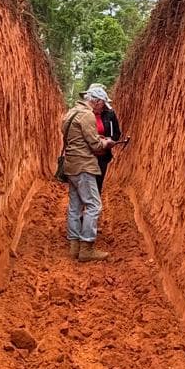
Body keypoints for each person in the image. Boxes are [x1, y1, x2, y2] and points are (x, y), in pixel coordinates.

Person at [59, 88, 113, 262]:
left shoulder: (70, 113)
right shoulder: (87, 115)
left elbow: (74, 139)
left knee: (75, 206)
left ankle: (74, 246)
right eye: (102, 104)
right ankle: (87, 247)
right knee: (93, 206)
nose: (103, 108)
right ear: (96, 101)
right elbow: (95, 146)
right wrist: (106, 143)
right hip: (84, 165)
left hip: (71, 165)